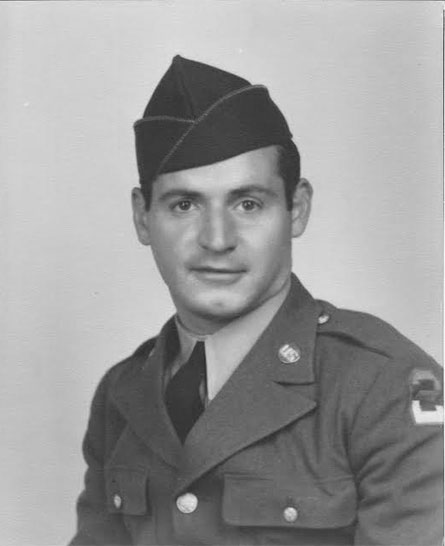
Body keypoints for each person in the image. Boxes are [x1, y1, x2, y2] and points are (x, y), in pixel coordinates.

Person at [70, 55, 443, 546]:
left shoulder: (386, 385)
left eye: (248, 204)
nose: (217, 239)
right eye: (184, 205)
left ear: (297, 209)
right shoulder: (123, 394)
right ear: (143, 218)